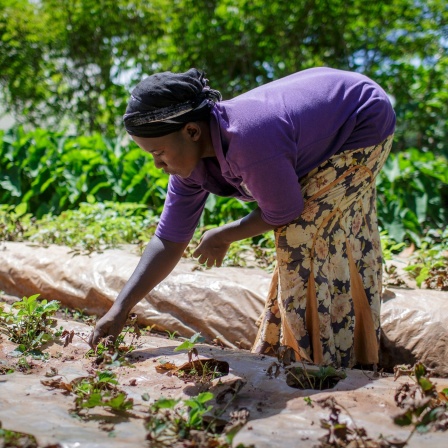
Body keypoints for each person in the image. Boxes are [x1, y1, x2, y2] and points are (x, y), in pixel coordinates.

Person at [89, 67, 395, 368]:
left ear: (192, 131)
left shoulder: (249, 138)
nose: (157, 165)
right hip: (327, 115)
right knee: (326, 234)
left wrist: (223, 235)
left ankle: (322, 362)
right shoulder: (189, 167)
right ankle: (329, 341)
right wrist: (120, 309)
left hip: (362, 118)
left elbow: (284, 211)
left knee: (302, 236)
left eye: (159, 153)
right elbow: (168, 239)